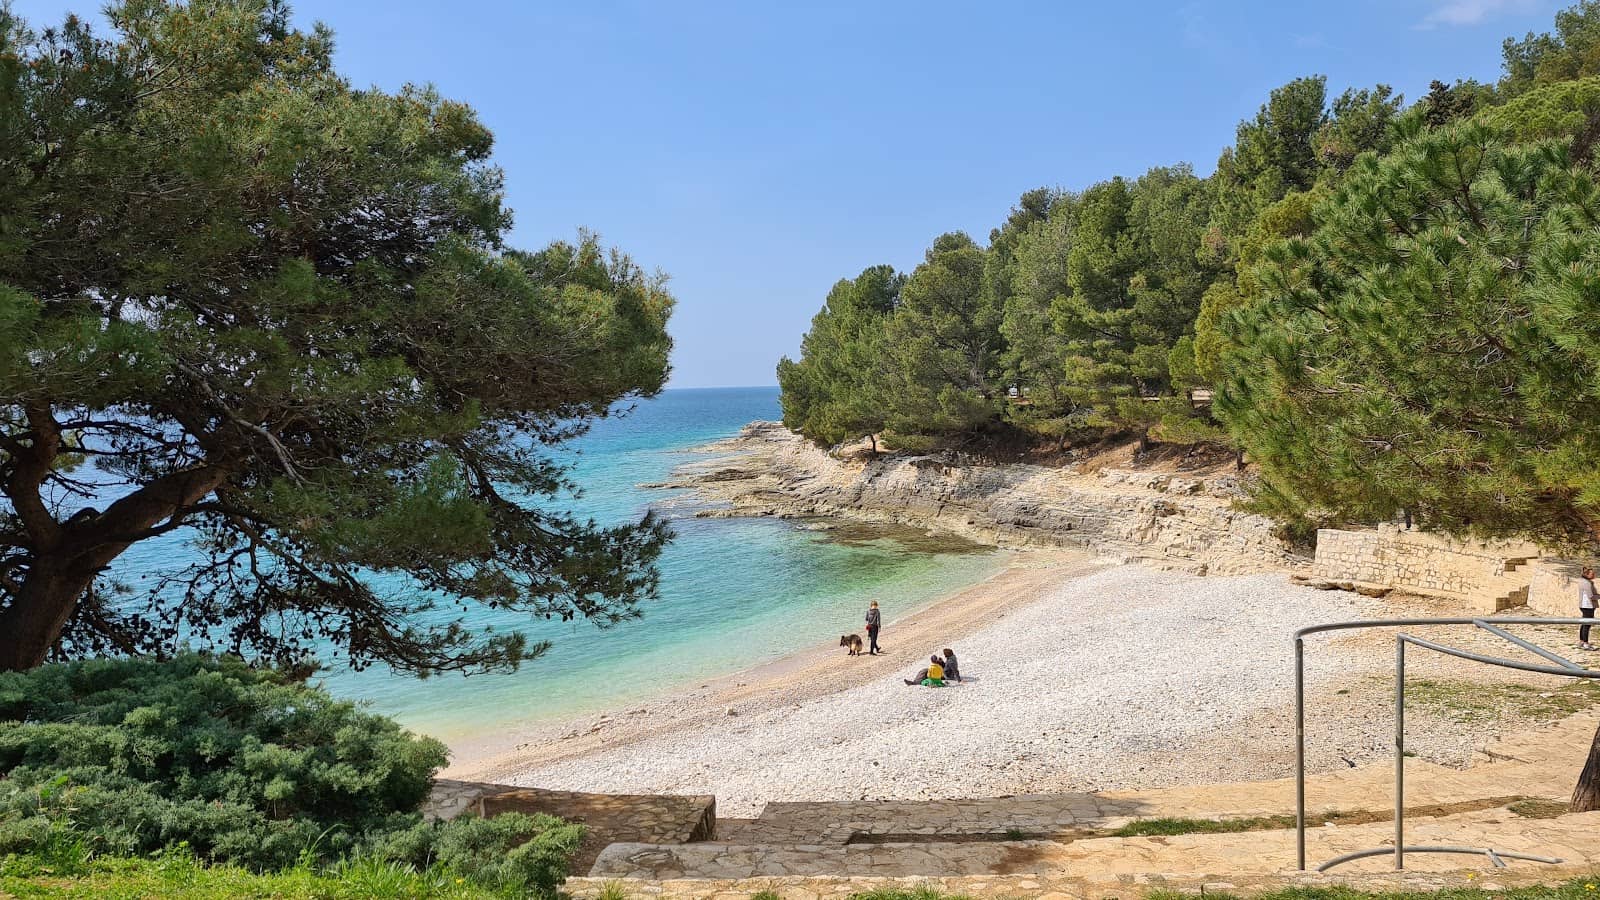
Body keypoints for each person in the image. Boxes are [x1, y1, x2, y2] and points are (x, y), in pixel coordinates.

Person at [1580, 567, 1597, 651]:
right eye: (1592, 574)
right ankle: (1585, 643)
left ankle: (1582, 641)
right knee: (1587, 624)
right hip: (1588, 606)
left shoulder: (1585, 582)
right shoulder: (1587, 583)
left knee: (1584, 623)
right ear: (1587, 574)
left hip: (1585, 605)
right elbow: (1591, 596)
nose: (1594, 575)